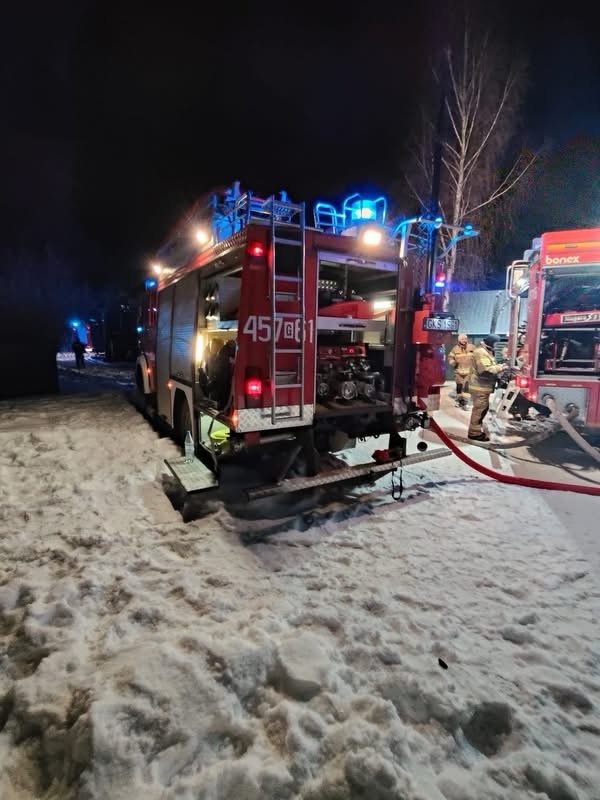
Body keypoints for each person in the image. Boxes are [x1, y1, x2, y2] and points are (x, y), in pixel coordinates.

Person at [467, 334, 509, 441]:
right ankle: (474, 433)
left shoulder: (486, 351)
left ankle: (475, 430)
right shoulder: (481, 353)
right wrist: (502, 367)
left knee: (482, 408)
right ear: (490, 342)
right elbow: (485, 369)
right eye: (496, 343)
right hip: (480, 387)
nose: (497, 346)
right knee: (480, 409)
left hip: (482, 386)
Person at [448, 334, 475, 409]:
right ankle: (460, 401)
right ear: (459, 340)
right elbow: (450, 357)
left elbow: (477, 357)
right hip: (459, 372)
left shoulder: (472, 347)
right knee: (459, 388)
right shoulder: (455, 349)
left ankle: (466, 402)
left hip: (469, 372)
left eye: (465, 339)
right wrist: (452, 362)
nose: (464, 340)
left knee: (466, 388)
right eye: (462, 339)